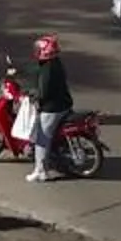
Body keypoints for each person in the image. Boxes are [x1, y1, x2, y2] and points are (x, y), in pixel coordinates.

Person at [24, 34, 75, 183]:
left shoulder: (47, 69)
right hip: (64, 104)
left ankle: (41, 171)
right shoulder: (55, 63)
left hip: (53, 109)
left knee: (42, 139)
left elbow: (44, 92)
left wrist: (33, 97)